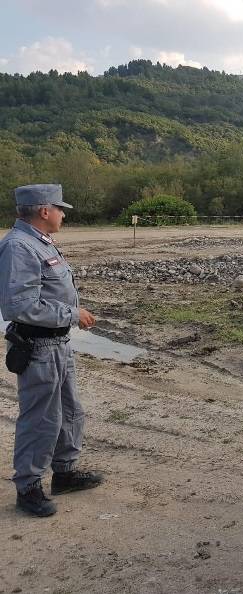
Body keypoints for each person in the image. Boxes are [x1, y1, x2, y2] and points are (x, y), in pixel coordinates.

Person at [0, 184, 103, 517]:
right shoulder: (18, 247)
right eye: (60, 208)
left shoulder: (37, 242)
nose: (63, 214)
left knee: (70, 412)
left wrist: (68, 315)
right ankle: (28, 487)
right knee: (41, 419)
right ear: (44, 211)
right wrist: (72, 314)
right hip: (39, 346)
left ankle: (64, 473)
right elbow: (18, 306)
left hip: (57, 343)